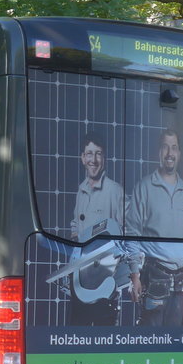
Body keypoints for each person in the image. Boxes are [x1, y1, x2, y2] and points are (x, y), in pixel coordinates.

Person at [126, 129, 183, 326]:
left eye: (174, 148)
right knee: (152, 342)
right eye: (166, 147)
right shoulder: (143, 187)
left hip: (181, 281)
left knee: (174, 342)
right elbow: (132, 234)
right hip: (153, 280)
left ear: (179, 154)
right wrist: (135, 274)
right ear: (159, 152)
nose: (170, 153)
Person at [68, 132, 125, 324]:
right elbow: (76, 223)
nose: (94, 159)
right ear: (83, 158)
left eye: (98, 154)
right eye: (89, 154)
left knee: (104, 340)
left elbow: (130, 230)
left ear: (104, 158)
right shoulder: (81, 190)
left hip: (105, 283)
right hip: (80, 282)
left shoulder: (115, 191)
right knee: (78, 338)